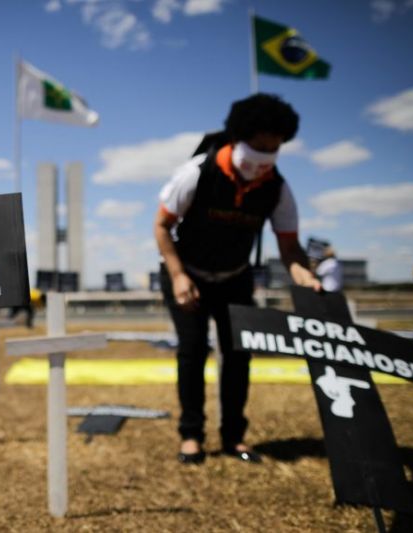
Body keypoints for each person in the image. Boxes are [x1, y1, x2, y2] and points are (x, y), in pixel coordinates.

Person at [153, 93, 321, 465]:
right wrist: (179, 276)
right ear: (237, 138)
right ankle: (192, 436)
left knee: (238, 355)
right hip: (188, 275)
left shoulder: (277, 188)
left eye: (273, 150)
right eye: (258, 147)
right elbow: (162, 226)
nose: (264, 158)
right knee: (193, 350)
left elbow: (290, 248)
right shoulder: (198, 172)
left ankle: (234, 437)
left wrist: (304, 276)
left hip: (235, 278)